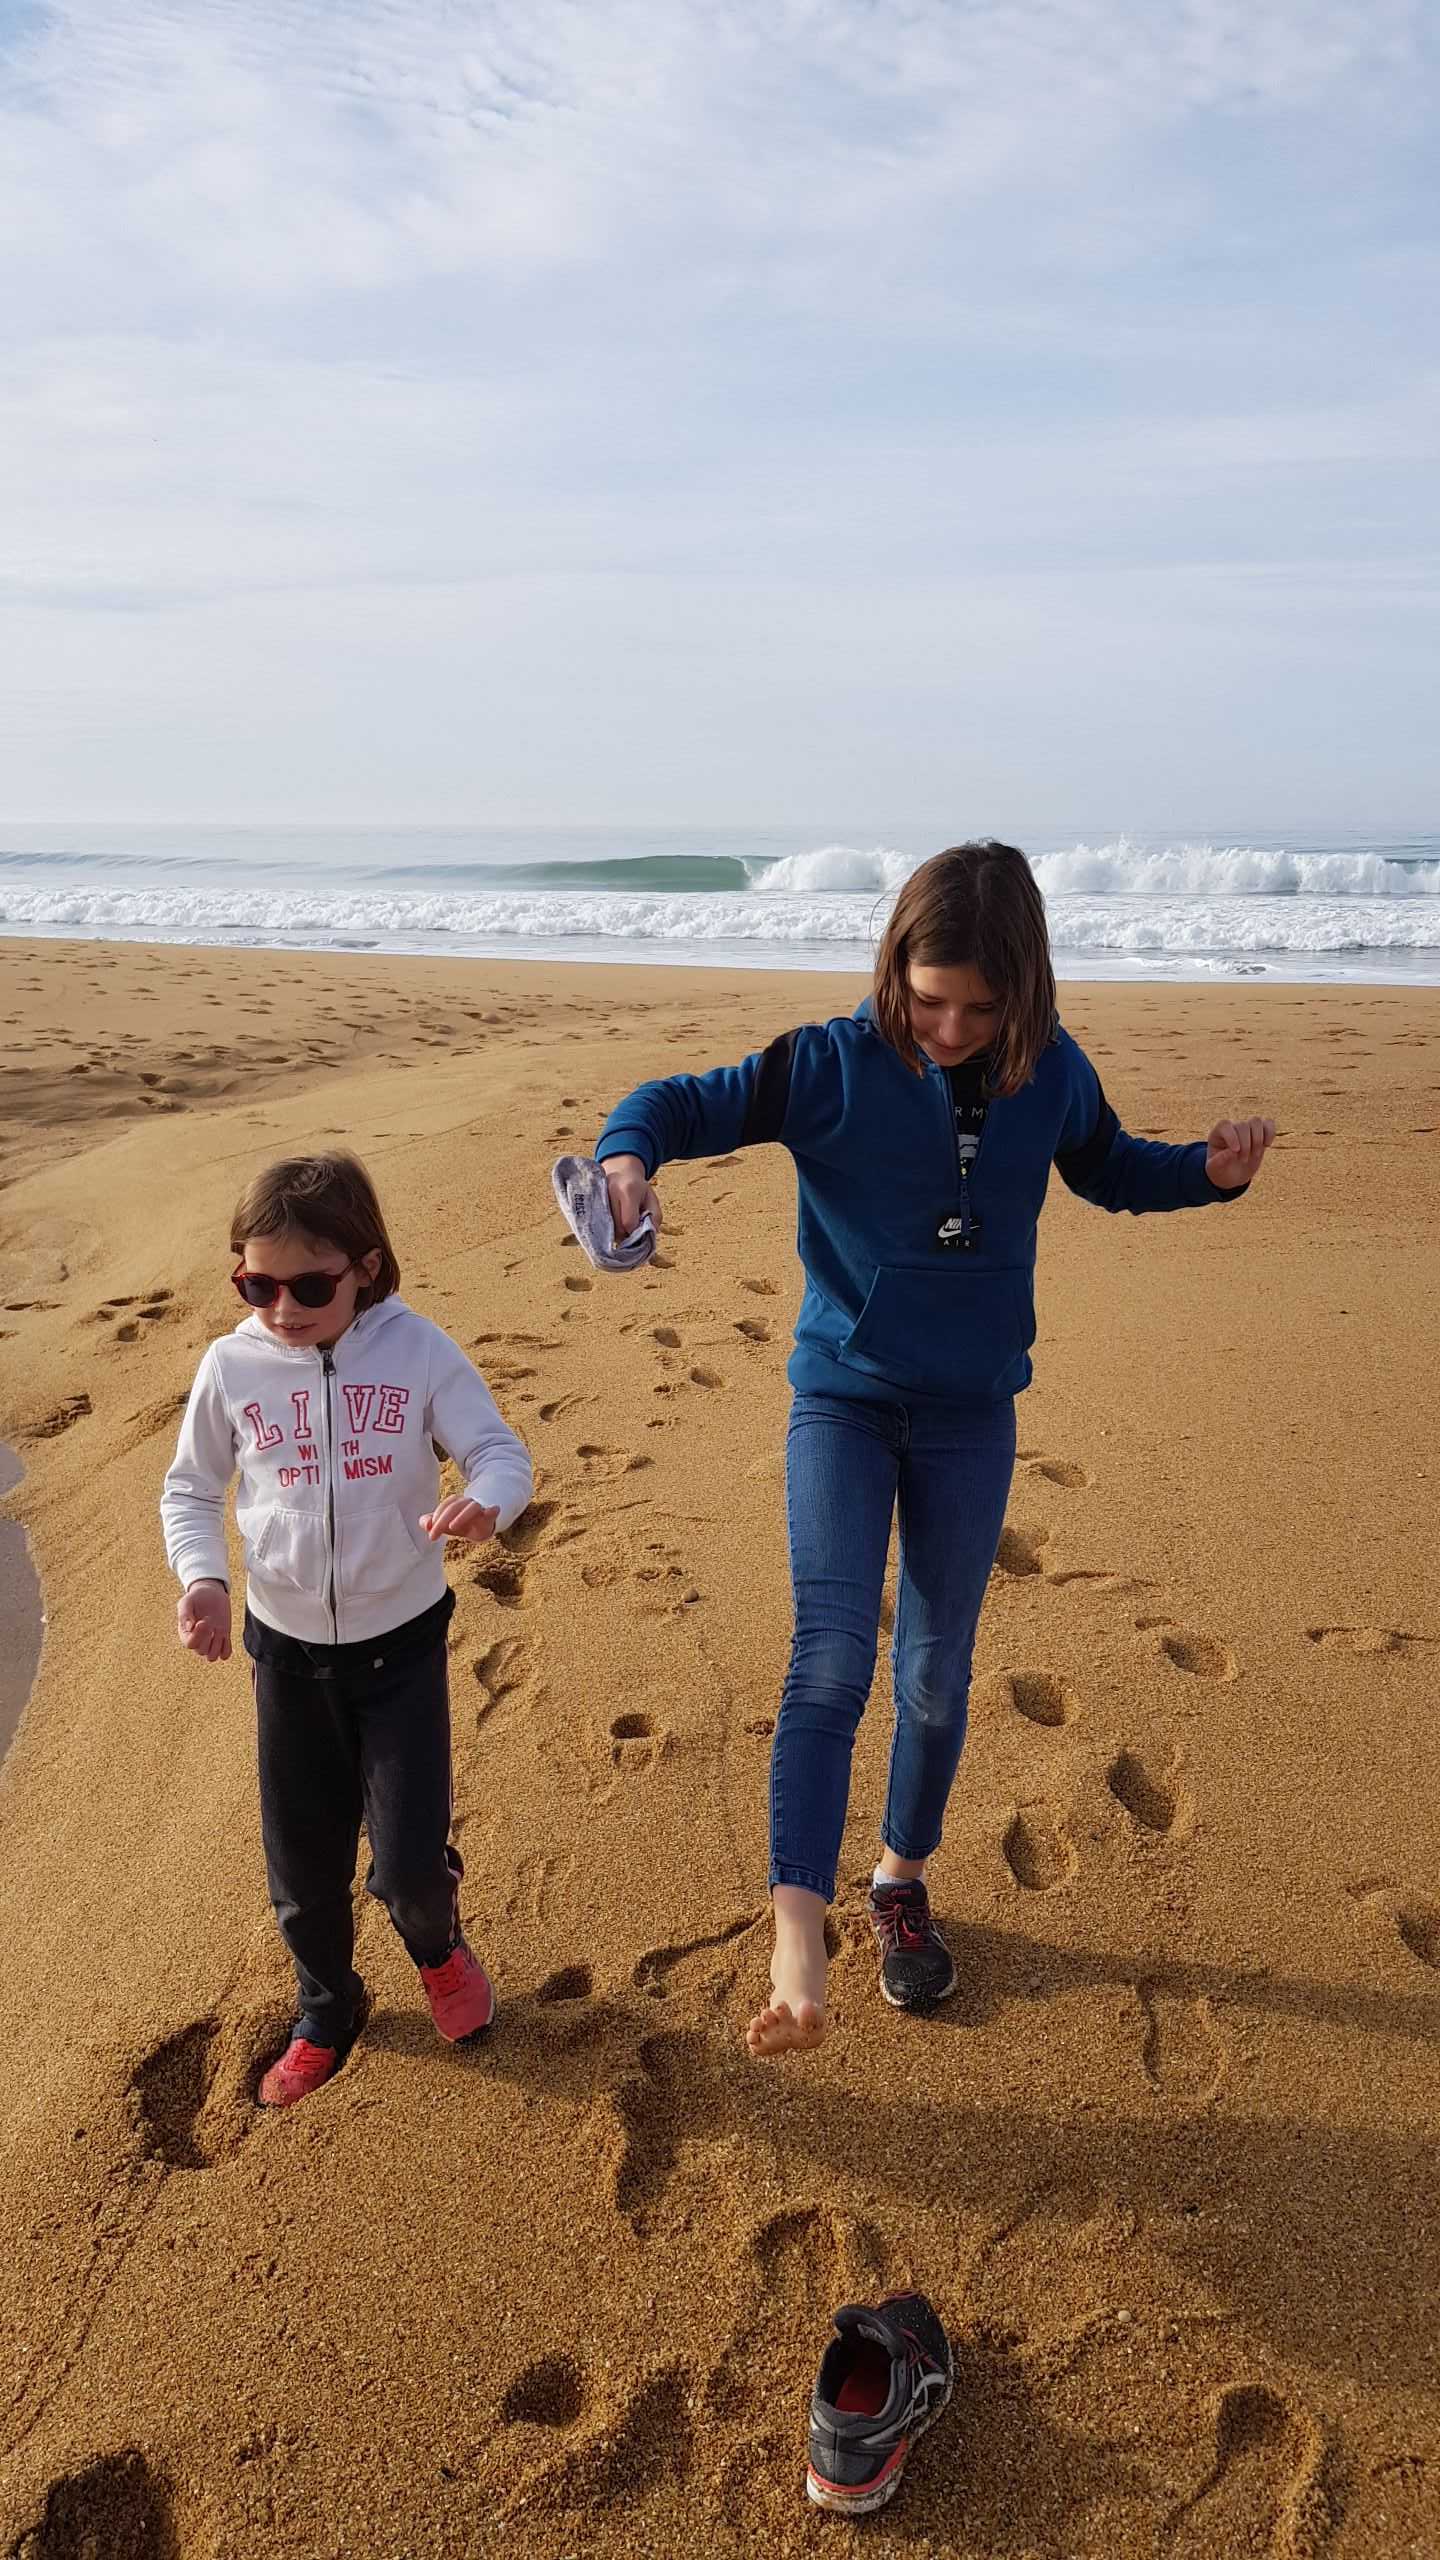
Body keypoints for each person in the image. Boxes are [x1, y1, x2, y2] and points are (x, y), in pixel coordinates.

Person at [594, 841, 1274, 2058]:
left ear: (1026, 992)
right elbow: (678, 1104)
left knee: (936, 1673)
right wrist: (626, 1160)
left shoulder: (1053, 1073)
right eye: (928, 997)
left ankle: (899, 1881)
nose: (951, 1027)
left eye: (981, 1007)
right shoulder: (829, 1065)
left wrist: (1209, 1175)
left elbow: (1111, 1167)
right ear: (894, 967)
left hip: (970, 1414)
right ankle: (797, 1937)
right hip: (844, 1401)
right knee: (829, 1657)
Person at [161, 1151, 533, 2106]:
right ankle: (327, 2009)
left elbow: (498, 1451)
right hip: (285, 1656)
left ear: (365, 1265)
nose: (283, 1308)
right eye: (258, 1285)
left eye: (310, 1286)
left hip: (400, 1650)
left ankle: (437, 1948)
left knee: (409, 1869)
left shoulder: (417, 1351)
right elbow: (191, 1489)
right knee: (301, 1867)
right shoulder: (232, 1365)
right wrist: (204, 1578)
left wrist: (489, 1501)